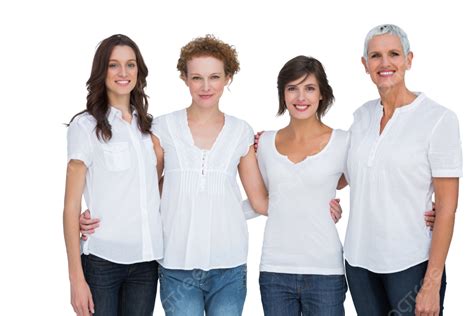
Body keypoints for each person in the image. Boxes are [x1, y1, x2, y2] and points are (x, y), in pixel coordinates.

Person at [342, 24, 462, 315]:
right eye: (376, 56)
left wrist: (432, 284)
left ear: (408, 60)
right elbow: (339, 176)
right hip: (359, 263)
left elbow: (446, 208)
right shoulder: (361, 116)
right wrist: (273, 142)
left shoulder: (439, 119)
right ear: (365, 64)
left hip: (411, 264)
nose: (385, 63)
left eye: (394, 54)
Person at [63, 34, 163, 316]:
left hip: (147, 261)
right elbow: (71, 206)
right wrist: (76, 280)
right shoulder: (85, 127)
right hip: (102, 261)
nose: (123, 73)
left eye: (130, 65)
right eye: (113, 65)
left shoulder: (150, 129)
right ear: (101, 71)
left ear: (138, 71)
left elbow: (154, 189)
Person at [256, 56, 348, 315]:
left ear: (322, 95)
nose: (301, 97)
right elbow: (263, 199)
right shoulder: (264, 143)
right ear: (283, 94)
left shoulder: (343, 141)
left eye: (309, 88)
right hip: (275, 270)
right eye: (292, 88)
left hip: (325, 271)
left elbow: (359, 182)